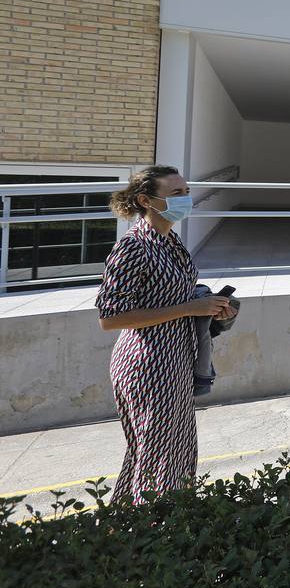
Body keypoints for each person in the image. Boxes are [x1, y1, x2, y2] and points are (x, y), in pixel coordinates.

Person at [97, 166, 236, 505]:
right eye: (176, 194)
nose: (186, 199)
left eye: (186, 191)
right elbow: (110, 317)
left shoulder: (171, 241)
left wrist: (214, 309)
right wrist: (190, 309)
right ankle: (155, 531)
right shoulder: (133, 246)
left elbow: (175, 298)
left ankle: (136, 523)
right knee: (157, 455)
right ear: (146, 200)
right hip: (148, 364)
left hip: (175, 359)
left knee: (170, 450)